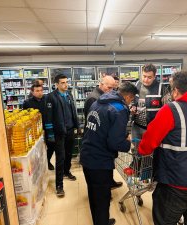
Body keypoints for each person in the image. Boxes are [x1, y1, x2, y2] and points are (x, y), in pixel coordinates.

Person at [138, 71, 187, 225]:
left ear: (175, 90)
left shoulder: (171, 110)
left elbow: (147, 144)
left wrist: (141, 151)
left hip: (176, 185)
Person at [80, 82, 138, 225]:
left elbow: (103, 127)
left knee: (94, 195)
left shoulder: (98, 102)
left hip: (87, 154)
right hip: (100, 160)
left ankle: (101, 221)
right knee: (102, 197)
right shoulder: (119, 110)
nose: (131, 102)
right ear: (129, 96)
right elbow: (114, 143)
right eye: (132, 99)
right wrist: (128, 144)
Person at [83, 75, 123, 190]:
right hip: (97, 139)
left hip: (104, 138)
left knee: (108, 162)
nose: (111, 91)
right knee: (100, 169)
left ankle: (110, 182)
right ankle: (104, 188)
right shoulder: (94, 98)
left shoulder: (103, 96)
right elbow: (92, 120)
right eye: (109, 87)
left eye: (113, 88)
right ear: (101, 84)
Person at [45, 74, 79, 197]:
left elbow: (73, 111)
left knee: (69, 154)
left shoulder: (69, 95)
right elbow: (48, 117)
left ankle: (67, 172)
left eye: (66, 82)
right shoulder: (51, 97)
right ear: (57, 84)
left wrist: (77, 126)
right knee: (60, 158)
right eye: (63, 83)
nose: (66, 84)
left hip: (70, 130)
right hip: (59, 133)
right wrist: (50, 134)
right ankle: (59, 185)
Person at [22, 84, 55, 170]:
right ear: (32, 92)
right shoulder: (27, 102)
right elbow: (25, 117)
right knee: (37, 148)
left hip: (48, 127)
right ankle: (39, 164)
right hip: (35, 131)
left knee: (51, 145)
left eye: (41, 90)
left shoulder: (47, 99)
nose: (40, 92)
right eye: (37, 91)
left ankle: (47, 161)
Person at [131, 63, 164, 141]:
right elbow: (133, 100)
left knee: (152, 151)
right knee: (136, 150)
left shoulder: (161, 88)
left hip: (153, 129)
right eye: (144, 76)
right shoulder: (137, 85)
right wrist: (132, 107)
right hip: (137, 127)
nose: (146, 80)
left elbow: (168, 109)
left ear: (154, 77)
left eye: (149, 77)